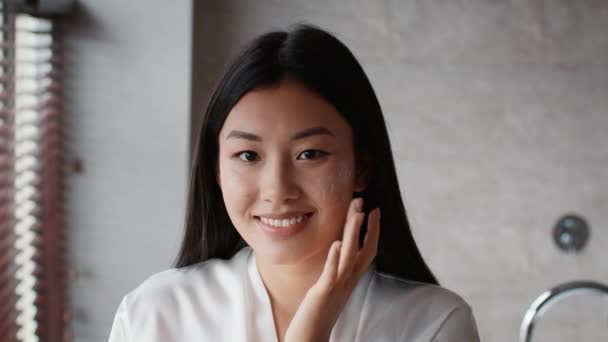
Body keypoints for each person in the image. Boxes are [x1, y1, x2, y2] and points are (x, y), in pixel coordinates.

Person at [108, 24, 480, 342]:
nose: (277, 189)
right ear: (216, 170)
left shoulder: (432, 324)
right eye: (248, 156)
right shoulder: (153, 315)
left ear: (362, 168)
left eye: (310, 154)